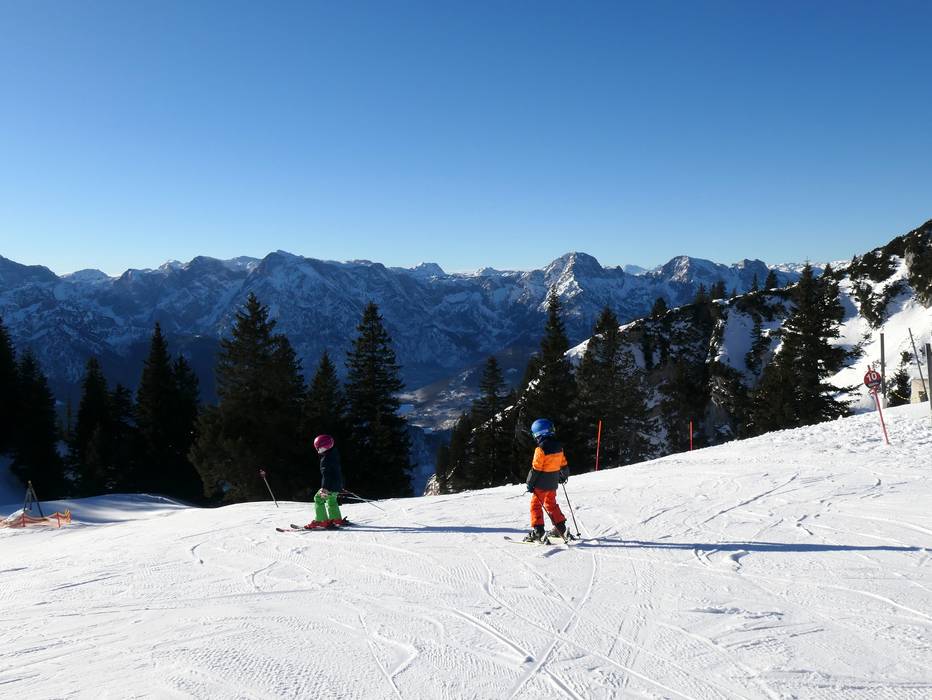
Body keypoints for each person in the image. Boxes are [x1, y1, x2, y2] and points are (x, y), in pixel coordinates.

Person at [523, 418, 570, 542]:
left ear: (538, 433)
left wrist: (530, 483)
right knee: (551, 504)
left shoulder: (540, 449)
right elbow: (563, 464)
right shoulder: (559, 447)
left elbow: (536, 469)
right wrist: (563, 476)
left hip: (541, 484)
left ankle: (538, 532)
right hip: (553, 483)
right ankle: (560, 528)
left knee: (535, 506)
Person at [304, 434, 349, 529]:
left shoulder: (325, 460)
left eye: (318, 448)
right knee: (331, 500)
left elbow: (326, 475)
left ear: (324, 447)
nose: (317, 450)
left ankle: (321, 521)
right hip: (337, 485)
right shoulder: (334, 454)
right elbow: (337, 472)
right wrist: (340, 486)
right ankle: (336, 519)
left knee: (318, 498)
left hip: (330, 486)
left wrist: (324, 488)